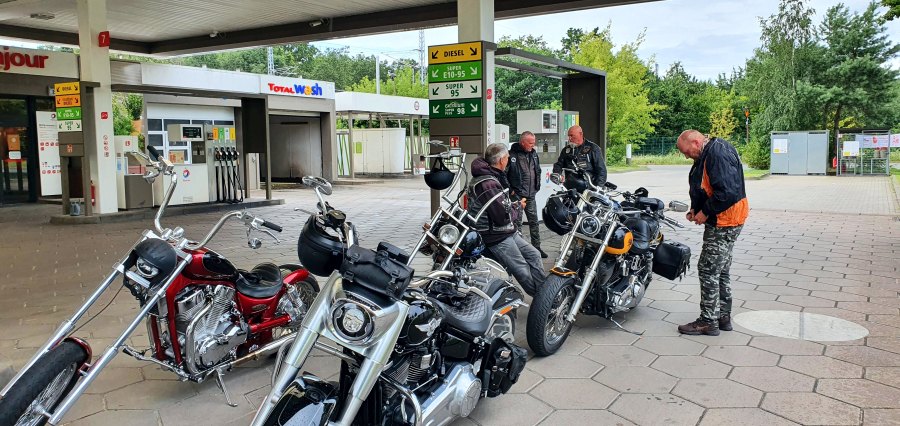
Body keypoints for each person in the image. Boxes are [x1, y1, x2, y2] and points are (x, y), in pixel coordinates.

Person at [675, 130, 749, 336]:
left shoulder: (717, 154)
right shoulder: (709, 152)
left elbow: (727, 192)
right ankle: (723, 316)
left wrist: (706, 212)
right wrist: (696, 209)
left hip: (724, 220)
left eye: (687, 151)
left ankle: (708, 321)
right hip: (728, 218)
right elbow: (704, 185)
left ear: (697, 142)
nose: (686, 156)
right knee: (721, 269)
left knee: (708, 269)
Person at [468, 143, 546, 296]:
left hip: (506, 231)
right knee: (521, 268)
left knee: (534, 254)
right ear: (502, 160)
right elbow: (500, 217)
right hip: (496, 235)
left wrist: (514, 205)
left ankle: (545, 294)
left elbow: (499, 205)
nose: (509, 161)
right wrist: (518, 208)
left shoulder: (492, 176)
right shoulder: (487, 182)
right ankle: (542, 300)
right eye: (507, 158)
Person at [507, 131, 548, 258]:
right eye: (530, 143)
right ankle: (519, 250)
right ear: (522, 142)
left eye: (534, 142)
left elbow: (538, 170)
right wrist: (510, 189)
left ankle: (536, 248)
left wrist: (538, 185)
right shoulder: (511, 155)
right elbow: (504, 174)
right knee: (517, 224)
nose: (533, 145)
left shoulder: (534, 154)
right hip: (517, 195)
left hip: (531, 194)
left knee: (534, 222)